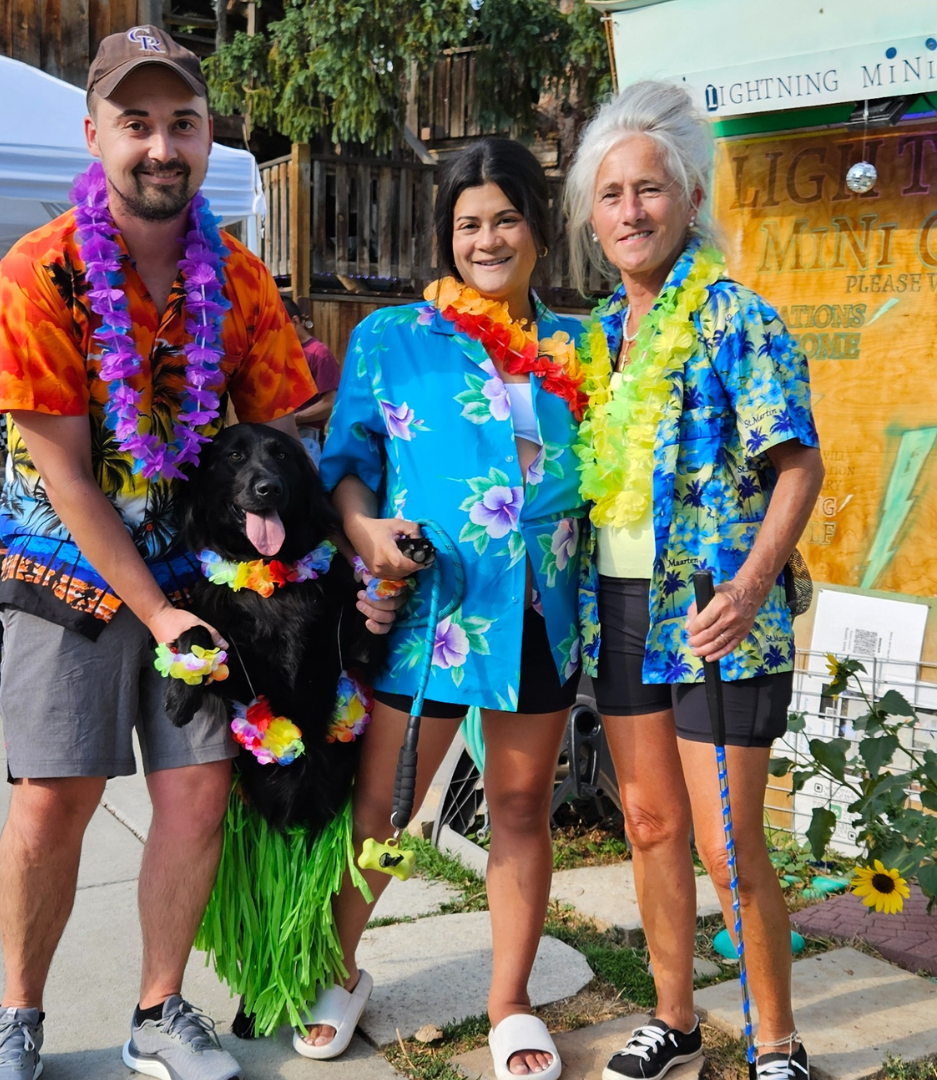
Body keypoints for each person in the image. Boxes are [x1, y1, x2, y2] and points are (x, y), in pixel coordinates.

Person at [0, 26, 398, 1080]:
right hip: (64, 565)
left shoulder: (241, 283)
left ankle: (159, 1011)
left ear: (208, 140)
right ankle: (17, 1016)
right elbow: (69, 477)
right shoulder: (38, 278)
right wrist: (160, 617)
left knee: (202, 790)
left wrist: (351, 563)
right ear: (94, 135)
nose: (161, 146)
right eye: (136, 123)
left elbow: (278, 454)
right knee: (52, 796)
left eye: (182, 124)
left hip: (203, 578)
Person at [303, 138, 589, 1080]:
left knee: (515, 807)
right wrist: (367, 533)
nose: (487, 238)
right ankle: (338, 971)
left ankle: (509, 1003)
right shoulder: (392, 337)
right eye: (469, 223)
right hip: (427, 611)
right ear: (445, 236)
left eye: (506, 217)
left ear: (537, 229)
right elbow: (347, 467)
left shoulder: (586, 345)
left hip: (540, 613)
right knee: (384, 807)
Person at [563, 81, 824, 1080]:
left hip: (716, 613)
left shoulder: (732, 319)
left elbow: (797, 465)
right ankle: (673, 1019)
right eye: (611, 194)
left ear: (689, 196)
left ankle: (775, 1041)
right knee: (649, 822)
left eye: (650, 189)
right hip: (620, 611)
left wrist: (755, 585)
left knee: (729, 845)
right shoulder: (600, 339)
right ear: (593, 214)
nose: (631, 211)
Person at [282, 296, 341, 465]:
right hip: (276, 435)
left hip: (305, 439)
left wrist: (292, 419)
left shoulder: (319, 353)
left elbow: (330, 404)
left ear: (295, 321)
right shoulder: (279, 351)